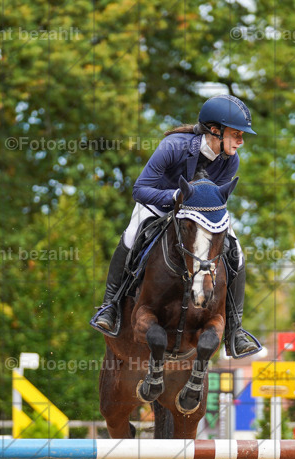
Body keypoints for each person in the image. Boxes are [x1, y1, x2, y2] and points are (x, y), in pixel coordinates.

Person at [90, 94, 262, 358]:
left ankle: (235, 329)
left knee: (236, 252)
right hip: (160, 201)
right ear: (215, 130)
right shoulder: (174, 146)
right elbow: (140, 189)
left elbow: (218, 200)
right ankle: (110, 307)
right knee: (131, 235)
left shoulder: (231, 160)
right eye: (237, 134)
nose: (241, 141)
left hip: (201, 215)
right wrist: (174, 198)